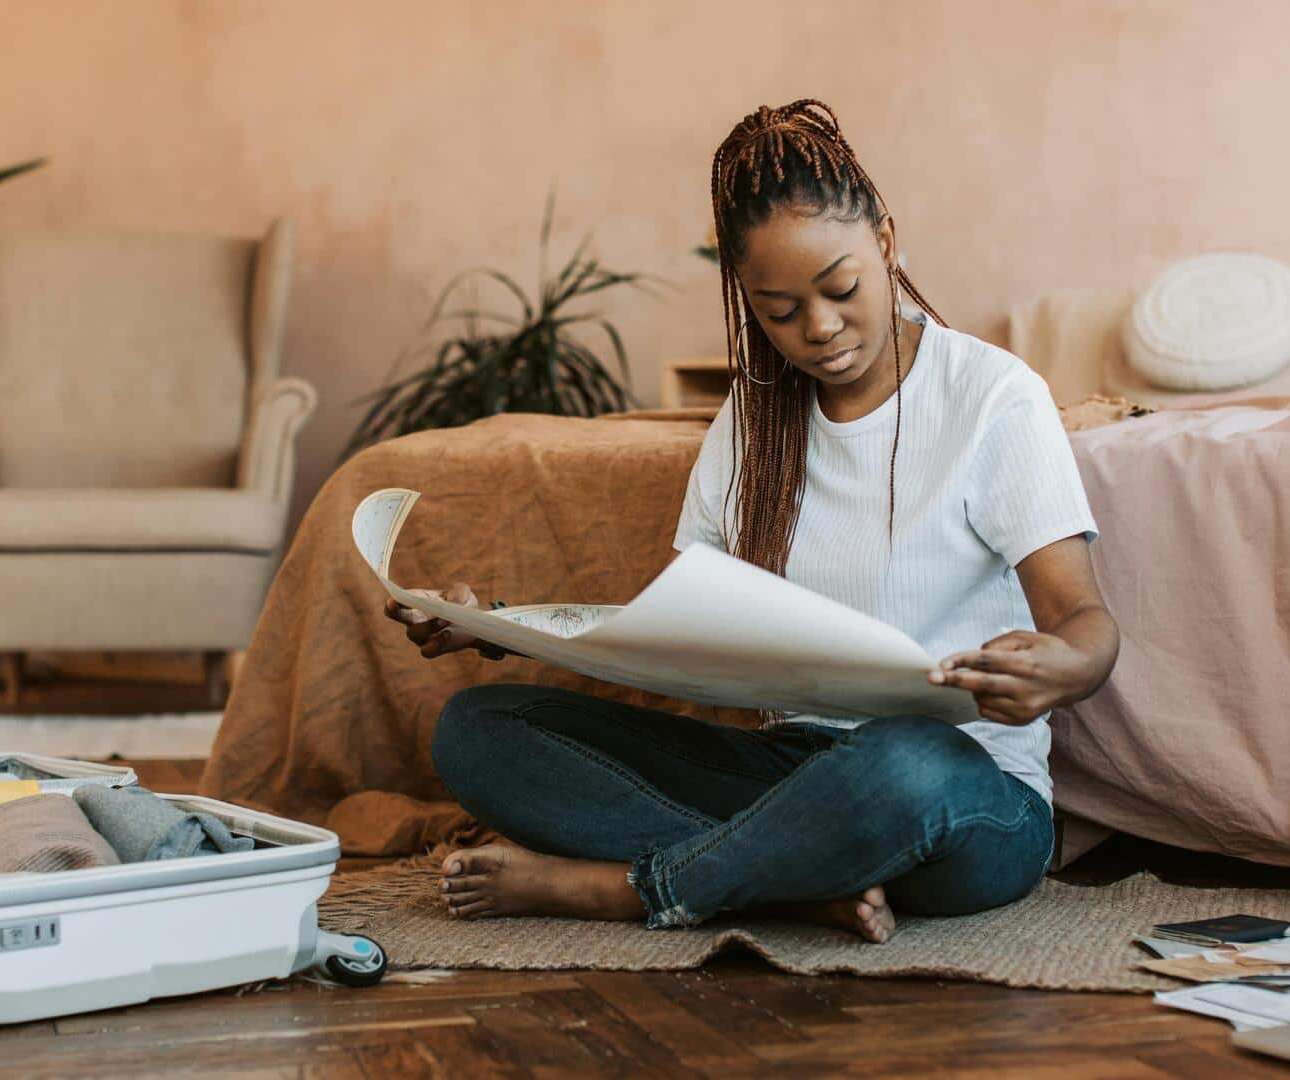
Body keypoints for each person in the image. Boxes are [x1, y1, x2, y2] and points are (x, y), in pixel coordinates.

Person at [385, 100, 1119, 943]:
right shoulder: (753, 420)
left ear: (885, 241)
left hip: (966, 797)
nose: (819, 329)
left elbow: (1085, 623)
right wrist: (498, 627)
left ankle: (633, 887)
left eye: (841, 289)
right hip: (786, 772)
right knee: (479, 730)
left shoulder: (991, 396)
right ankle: (786, 883)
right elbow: (678, 629)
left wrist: (1064, 666)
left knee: (909, 758)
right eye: (778, 310)